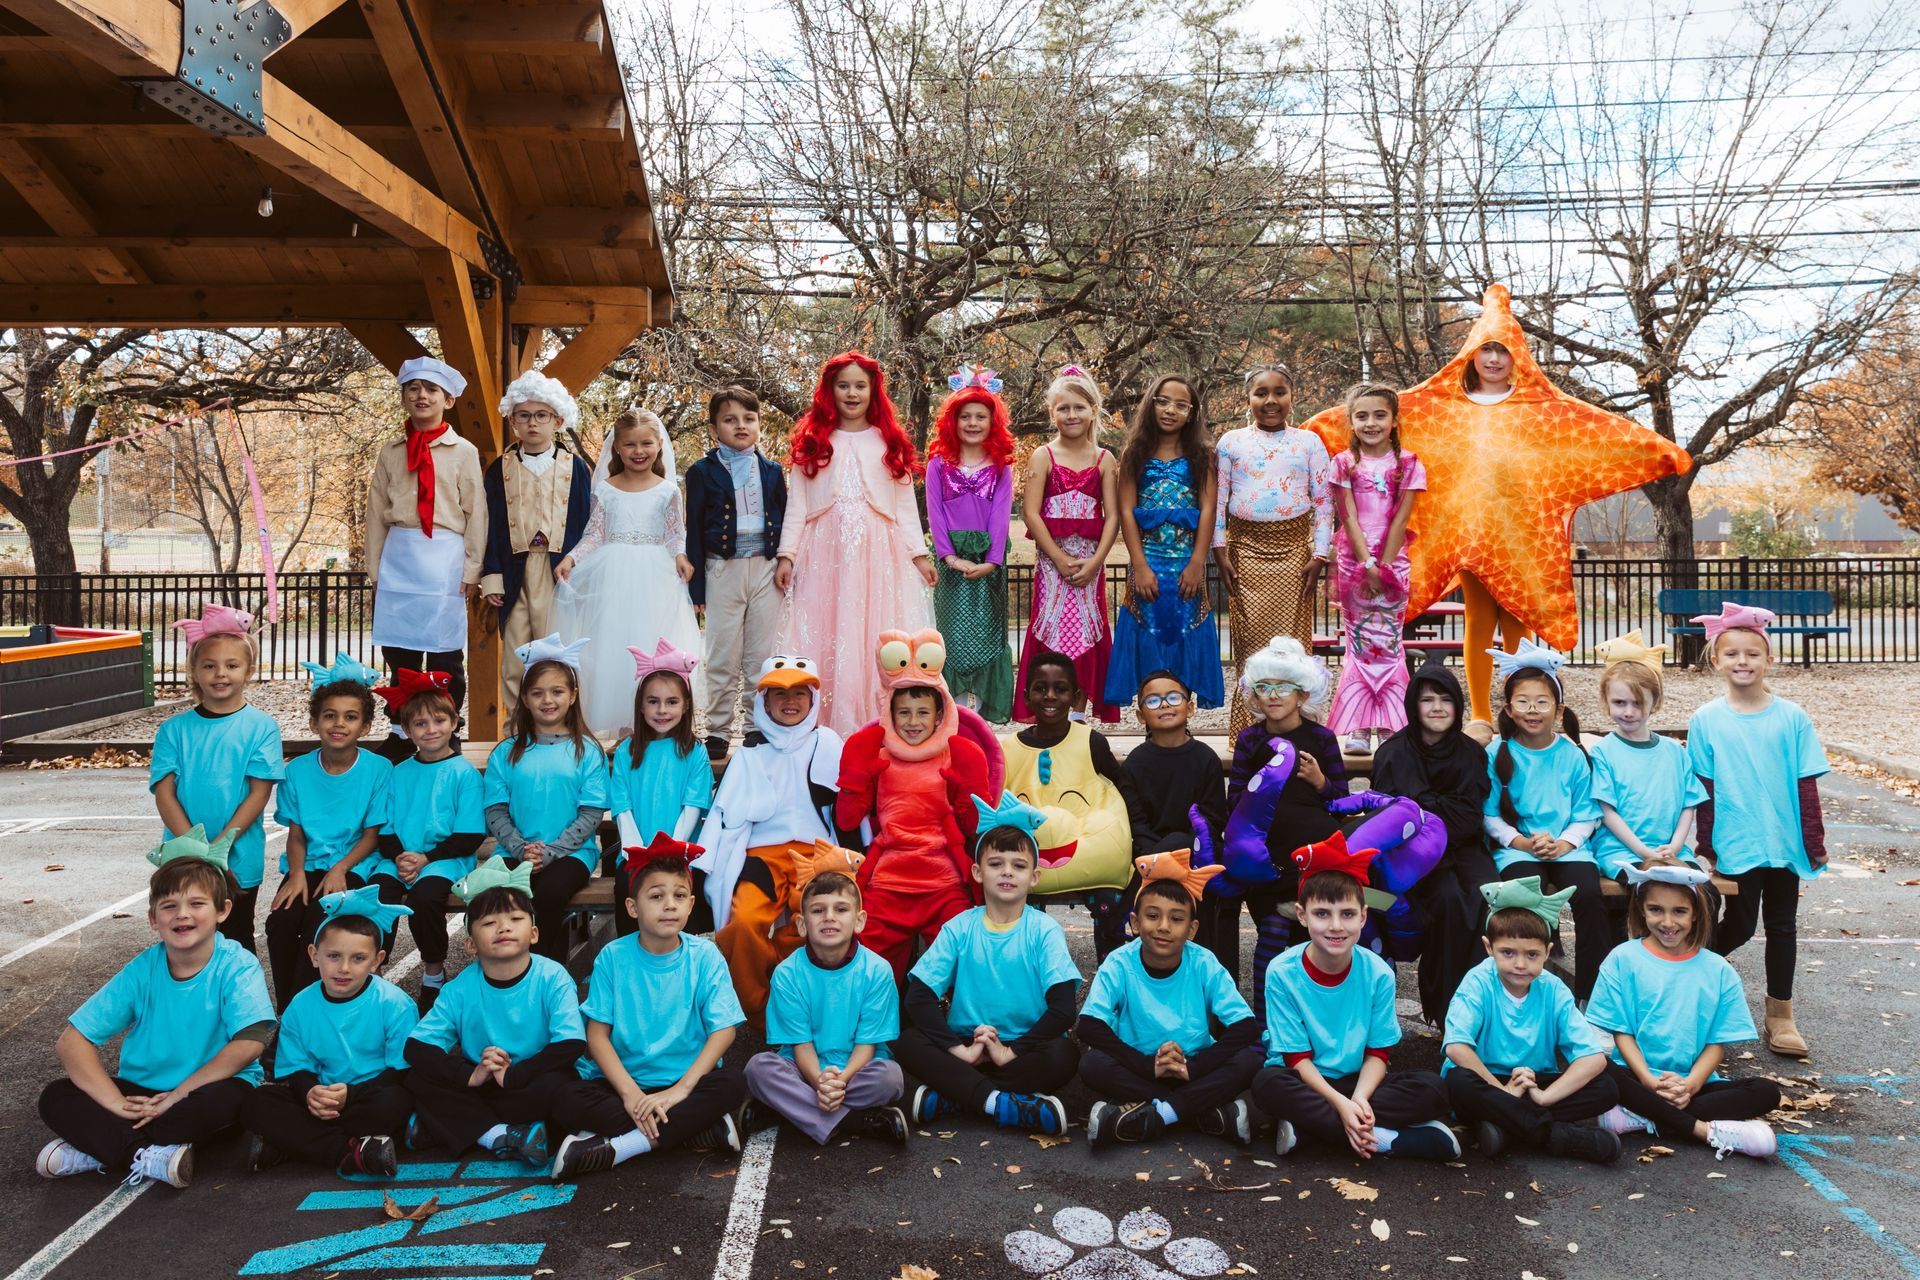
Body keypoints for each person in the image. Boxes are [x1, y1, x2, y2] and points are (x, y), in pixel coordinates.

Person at [35, 836, 275, 1189]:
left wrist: (177, 1096)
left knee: (232, 1104)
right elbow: (72, 1042)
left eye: (196, 903)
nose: (182, 913)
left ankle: (101, 1148)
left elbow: (250, 1044)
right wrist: (116, 1104)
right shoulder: (141, 971)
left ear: (222, 910)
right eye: (169, 905)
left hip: (206, 1088)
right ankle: (145, 1154)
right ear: (152, 918)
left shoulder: (237, 965)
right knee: (55, 1097)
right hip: (143, 1091)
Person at [549, 837, 747, 1178]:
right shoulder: (613, 956)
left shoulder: (704, 956)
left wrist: (679, 1091)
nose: (669, 905)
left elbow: (724, 1030)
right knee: (563, 1094)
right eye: (656, 896)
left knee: (735, 1083)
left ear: (691, 905)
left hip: (687, 1082)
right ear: (632, 907)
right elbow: (596, 1037)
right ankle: (696, 1130)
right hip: (626, 1082)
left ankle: (622, 1147)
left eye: (679, 896)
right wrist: (630, 1095)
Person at [1250, 837, 1457, 1160]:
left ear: (1363, 917)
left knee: (1434, 1088)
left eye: (1347, 914)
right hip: (1306, 1080)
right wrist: (1342, 1106)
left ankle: (1310, 1130)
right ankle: (1385, 1139)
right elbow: (1296, 1059)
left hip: (1358, 1080)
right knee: (1266, 1084)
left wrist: (1357, 1100)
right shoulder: (1281, 971)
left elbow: (1379, 1051)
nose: (1335, 926)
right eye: (1322, 914)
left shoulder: (1378, 973)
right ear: (1302, 916)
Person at [1688, 603, 1829, 1059]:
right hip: (1736, 840)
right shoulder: (1706, 719)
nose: (1742, 661)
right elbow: (1704, 788)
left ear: (1769, 659)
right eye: (1732, 654)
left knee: (1783, 926)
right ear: (1716, 660)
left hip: (1784, 841)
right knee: (1742, 925)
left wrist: (1813, 840)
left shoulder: (1791, 717)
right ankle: (1688, 973)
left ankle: (1780, 1014)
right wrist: (1706, 845)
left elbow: (1806, 784)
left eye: (1752, 653)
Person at [894, 794, 1081, 1134]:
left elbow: (1064, 1008)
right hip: (968, 1045)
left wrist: (1011, 1051)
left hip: (1023, 1048)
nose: (1007, 871)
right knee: (908, 1041)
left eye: (1019, 865)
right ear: (978, 872)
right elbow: (918, 996)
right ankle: (1002, 1103)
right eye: (996, 864)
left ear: (1034, 877)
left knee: (1064, 1054)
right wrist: (960, 1051)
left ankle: (956, 1094)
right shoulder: (961, 926)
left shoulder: (1043, 931)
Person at [776, 351, 935, 736]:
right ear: (830, 391)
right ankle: (823, 724)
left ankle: (874, 721)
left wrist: (919, 553)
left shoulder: (887, 441)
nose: (851, 393)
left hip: (878, 552)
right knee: (827, 631)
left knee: (874, 632)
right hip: (824, 552)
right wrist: (787, 554)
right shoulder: (814, 441)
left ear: (873, 391)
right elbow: (797, 503)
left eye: (860, 386)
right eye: (843, 386)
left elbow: (903, 507)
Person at [1585, 863, 1781, 1160]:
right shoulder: (1622, 959)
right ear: (1641, 910)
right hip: (1634, 1077)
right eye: (1656, 910)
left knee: (1767, 1091)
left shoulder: (1717, 970)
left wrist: (1690, 1084)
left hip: (1693, 1082)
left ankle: (1641, 1118)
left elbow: (1717, 1043)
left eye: (1679, 911)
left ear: (1696, 914)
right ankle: (1706, 1131)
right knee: (1596, 1068)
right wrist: (1649, 1082)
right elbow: (1621, 1033)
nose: (1667, 922)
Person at [836, 629, 994, 979]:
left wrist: (967, 790)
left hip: (943, 881)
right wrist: (855, 778)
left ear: (940, 715)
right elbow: (847, 820)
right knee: (864, 967)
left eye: (923, 712)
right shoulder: (878, 753)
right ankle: (874, 1027)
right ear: (889, 712)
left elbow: (972, 826)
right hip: (889, 878)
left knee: (964, 960)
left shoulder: (955, 755)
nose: (912, 722)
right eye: (903, 712)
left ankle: (958, 1027)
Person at [403, 859, 585, 1163]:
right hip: (484, 1082)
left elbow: (571, 1044)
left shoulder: (552, 977)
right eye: (489, 923)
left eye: (515, 919)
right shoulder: (459, 989)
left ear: (534, 933)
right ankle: (503, 1134)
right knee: (414, 1080)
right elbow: (417, 1047)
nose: (503, 927)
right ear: (471, 945)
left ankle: (455, 1128)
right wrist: (470, 1074)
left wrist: (514, 1075)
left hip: (531, 1078)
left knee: (565, 1089)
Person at [698, 655, 846, 1023]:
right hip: (761, 856)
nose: (790, 701)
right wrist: (705, 861)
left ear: (813, 699)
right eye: (778, 694)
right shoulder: (750, 752)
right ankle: (759, 1008)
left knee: (813, 918)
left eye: (800, 692)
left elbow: (848, 804)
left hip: (816, 855)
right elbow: (723, 813)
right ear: (763, 702)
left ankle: (795, 994)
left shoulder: (827, 743)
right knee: (745, 921)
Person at [1078, 852, 1260, 1148]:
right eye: (1153, 916)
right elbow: (1088, 1026)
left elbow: (1246, 1026)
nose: (1163, 926)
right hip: (1139, 1067)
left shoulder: (1203, 962)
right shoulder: (1120, 962)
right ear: (1135, 923)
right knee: (1093, 1065)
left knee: (1248, 1061)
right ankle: (1201, 1112)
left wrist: (1195, 1067)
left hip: (1194, 1068)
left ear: (1192, 929)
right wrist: (1148, 1066)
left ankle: (1158, 1113)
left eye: (1176, 919)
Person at [242, 887, 417, 1178]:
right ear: (314, 955)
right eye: (333, 956)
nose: (344, 968)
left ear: (377, 960)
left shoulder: (395, 1004)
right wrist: (310, 1091)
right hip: (320, 1098)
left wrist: (351, 1094)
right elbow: (295, 1068)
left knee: (396, 1102)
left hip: (368, 1096)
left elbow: (401, 1070)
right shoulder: (300, 1005)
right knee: (255, 1102)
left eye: (359, 958)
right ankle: (351, 1151)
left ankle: (294, 1143)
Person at [1442, 878, 1620, 1163]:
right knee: (1457, 1082)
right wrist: (1503, 1092)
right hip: (1487, 1081)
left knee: (1607, 1086)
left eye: (1532, 954)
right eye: (1508, 953)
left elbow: (1593, 1058)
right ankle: (1555, 1135)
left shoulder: (1553, 989)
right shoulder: (1478, 981)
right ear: (1489, 947)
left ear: (1547, 952)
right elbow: (1457, 1048)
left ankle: (1506, 1126)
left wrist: (1544, 1097)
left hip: (1535, 1082)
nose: (1520, 964)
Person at [554, 409, 701, 737]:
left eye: (646, 443)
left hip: (654, 576)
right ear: (616, 448)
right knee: (614, 648)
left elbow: (675, 533)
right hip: (614, 578)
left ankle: (649, 729)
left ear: (659, 444)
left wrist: (680, 555)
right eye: (630, 444)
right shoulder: (606, 488)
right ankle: (622, 729)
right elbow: (594, 534)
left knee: (649, 643)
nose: (639, 451)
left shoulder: (667, 490)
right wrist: (572, 559)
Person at [1212, 636, 1345, 994]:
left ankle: (1314, 1007)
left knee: (1316, 939)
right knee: (1271, 936)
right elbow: (1235, 799)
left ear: (1302, 695)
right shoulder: (1250, 740)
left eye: (1283, 687)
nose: (1272, 695)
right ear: (1253, 696)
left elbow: (1342, 801)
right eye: (1263, 687)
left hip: (1313, 858)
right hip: (1267, 860)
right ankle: (1263, 1020)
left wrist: (1320, 782)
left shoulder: (1322, 738)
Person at [365, 356, 486, 743]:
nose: (422, 396)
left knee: (444, 653)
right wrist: (375, 569)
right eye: (413, 388)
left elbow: (475, 512)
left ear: (447, 400)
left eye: (432, 389)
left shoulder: (463, 451)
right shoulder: (391, 452)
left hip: (444, 558)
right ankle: (402, 729)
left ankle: (445, 727)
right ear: (403, 396)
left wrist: (472, 569)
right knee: (399, 652)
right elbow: (375, 513)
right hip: (401, 555)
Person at [742, 870, 909, 1145]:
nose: (829, 917)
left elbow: (867, 1045)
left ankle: (788, 1110)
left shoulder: (877, 971)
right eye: (818, 910)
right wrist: (819, 1082)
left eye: (841, 909)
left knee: (890, 1078)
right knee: (758, 1069)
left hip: (857, 1071)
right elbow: (801, 1044)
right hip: (802, 1070)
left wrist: (839, 1081)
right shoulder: (787, 974)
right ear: (802, 925)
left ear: (859, 921)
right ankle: (856, 1120)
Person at [151, 603, 283, 951]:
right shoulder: (173, 730)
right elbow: (165, 794)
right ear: (194, 671)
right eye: (209, 665)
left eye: (231, 665)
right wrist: (198, 853)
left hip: (238, 857)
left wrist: (221, 848)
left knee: (235, 940)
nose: (220, 674)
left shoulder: (261, 727)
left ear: (248, 670)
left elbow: (258, 794)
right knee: (186, 943)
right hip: (183, 857)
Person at [1370, 659, 1494, 1025]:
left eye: (1446, 699)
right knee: (1447, 900)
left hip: (1463, 844)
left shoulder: (1470, 752)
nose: (1437, 707)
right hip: (1414, 854)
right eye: (1427, 700)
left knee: (1488, 895)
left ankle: (1483, 1008)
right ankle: (1445, 1008)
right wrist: (1435, 812)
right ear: (1413, 705)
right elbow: (1390, 817)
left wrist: (1426, 809)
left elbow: (1468, 816)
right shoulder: (1394, 752)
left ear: (1457, 706)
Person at [1482, 640, 1606, 1001]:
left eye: (1542, 702)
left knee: (1589, 895)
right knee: (1522, 898)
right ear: (1508, 707)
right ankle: (1521, 989)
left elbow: (1587, 813)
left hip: (1567, 849)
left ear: (1558, 707)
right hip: (1518, 850)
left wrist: (1564, 843)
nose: (1532, 710)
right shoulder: (1497, 752)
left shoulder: (1572, 755)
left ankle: (1591, 996)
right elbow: (1488, 813)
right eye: (1522, 702)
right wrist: (1521, 842)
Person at [1212, 365, 1332, 737]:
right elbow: (1218, 501)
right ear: (1248, 399)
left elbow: (1324, 502)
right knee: (1250, 645)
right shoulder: (1230, 442)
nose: (1270, 401)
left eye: (1279, 392)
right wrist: (1220, 550)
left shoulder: (1309, 442)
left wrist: (1320, 555)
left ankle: (1297, 731)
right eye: (1260, 393)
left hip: (1296, 555)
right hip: (1244, 553)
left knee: (1293, 645)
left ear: (1291, 397)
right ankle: (1250, 734)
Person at [1001, 651, 1144, 959]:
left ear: (1076, 697)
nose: (1050, 696)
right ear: (1026, 696)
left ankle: (1110, 979)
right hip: (1030, 859)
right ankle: (1024, 979)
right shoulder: (1008, 748)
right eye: (1040, 688)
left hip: (1085, 857)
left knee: (1110, 902)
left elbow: (1122, 789)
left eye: (1060, 689)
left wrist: (1139, 840)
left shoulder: (1091, 741)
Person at [265, 663, 393, 1009]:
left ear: (365, 726)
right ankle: (288, 1013)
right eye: (330, 716)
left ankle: (308, 1014)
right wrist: (295, 875)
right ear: (314, 722)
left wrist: (340, 869)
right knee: (280, 922)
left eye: (350, 717)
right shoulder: (298, 771)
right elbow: (296, 833)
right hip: (307, 864)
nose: (339, 724)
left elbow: (371, 836)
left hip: (355, 865)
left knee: (320, 927)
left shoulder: (378, 769)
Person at [482, 635, 608, 963]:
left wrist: (549, 853)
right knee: (501, 896)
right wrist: (520, 849)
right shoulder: (506, 753)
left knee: (549, 894)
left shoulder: (587, 751)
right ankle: (500, 969)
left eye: (557, 691)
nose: (547, 700)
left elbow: (591, 814)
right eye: (537, 693)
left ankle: (542, 972)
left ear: (572, 695)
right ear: (524, 698)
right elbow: (495, 810)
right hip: (515, 848)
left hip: (570, 853)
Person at [365, 668, 486, 1011]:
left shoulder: (463, 774)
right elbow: (384, 827)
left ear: (454, 723)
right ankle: (373, 970)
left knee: (424, 898)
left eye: (438, 721)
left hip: (445, 859)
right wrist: (402, 856)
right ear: (406, 730)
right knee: (378, 896)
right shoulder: (398, 772)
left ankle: (433, 973)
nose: (431, 729)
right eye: (420, 724)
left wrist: (424, 859)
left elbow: (469, 835)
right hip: (398, 857)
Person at [1105, 373, 1223, 711]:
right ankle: (1152, 715)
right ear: (1150, 405)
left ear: (1192, 412)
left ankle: (1180, 715)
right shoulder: (1134, 453)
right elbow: (1127, 512)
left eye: (1181, 404)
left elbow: (1208, 509)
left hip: (1187, 565)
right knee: (1148, 632)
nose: (1170, 410)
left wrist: (1198, 563)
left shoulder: (1202, 455)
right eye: (1163, 401)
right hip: (1149, 563)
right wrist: (1139, 565)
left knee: (1186, 630)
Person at [480, 370, 593, 720]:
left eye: (541, 415)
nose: (533, 424)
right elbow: (490, 526)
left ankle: (561, 723)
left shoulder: (575, 467)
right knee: (517, 651)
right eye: (524, 416)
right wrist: (492, 576)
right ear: (513, 421)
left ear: (557, 420)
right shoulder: (500, 469)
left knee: (555, 649)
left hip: (558, 569)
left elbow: (586, 523)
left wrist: (579, 566)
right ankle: (516, 727)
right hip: (515, 569)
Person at [685, 386, 788, 758]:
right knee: (722, 651)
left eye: (749, 419)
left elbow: (785, 520)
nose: (740, 426)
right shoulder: (700, 472)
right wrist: (696, 589)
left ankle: (756, 726)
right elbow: (693, 529)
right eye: (730, 420)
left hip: (765, 567)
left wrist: (786, 563)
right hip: (721, 568)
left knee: (761, 654)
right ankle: (716, 729)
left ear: (759, 424)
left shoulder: (773, 471)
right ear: (715, 428)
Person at [1325, 384, 1427, 754]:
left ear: (1395, 420)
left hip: (1393, 560)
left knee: (1389, 642)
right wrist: (1366, 562)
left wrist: (1383, 565)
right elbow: (1347, 515)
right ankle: (1359, 727)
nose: (1371, 423)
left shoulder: (1409, 463)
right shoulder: (1343, 463)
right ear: (1351, 422)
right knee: (1360, 642)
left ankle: (1389, 724)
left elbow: (1401, 518)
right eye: (1362, 416)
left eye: (1379, 415)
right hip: (1354, 560)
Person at [1017, 365, 1120, 723]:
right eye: (1063, 408)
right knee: (1053, 628)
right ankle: (1048, 709)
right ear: (1052, 413)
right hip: (1052, 566)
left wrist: (1095, 563)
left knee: (1088, 629)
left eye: (1079, 407)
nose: (1071, 415)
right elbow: (1031, 514)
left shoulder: (1105, 459)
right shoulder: (1043, 455)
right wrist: (1058, 558)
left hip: (1090, 566)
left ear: (1093, 409)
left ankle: (1078, 713)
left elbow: (1114, 517)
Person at [926, 364, 1018, 723]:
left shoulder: (999, 467)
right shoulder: (939, 464)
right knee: (952, 636)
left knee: (985, 636)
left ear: (992, 422)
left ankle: (978, 713)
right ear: (954, 421)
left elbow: (1001, 516)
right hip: (952, 566)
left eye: (981, 416)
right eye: (966, 416)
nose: (973, 423)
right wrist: (948, 557)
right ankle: (955, 708)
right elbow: (935, 514)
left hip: (986, 564)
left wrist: (993, 561)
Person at [607, 641, 713, 937]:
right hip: (636, 851)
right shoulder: (629, 751)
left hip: (682, 852)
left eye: (671, 702)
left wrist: (673, 852)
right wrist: (638, 852)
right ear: (641, 706)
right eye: (653, 701)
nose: (662, 710)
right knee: (627, 890)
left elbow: (693, 806)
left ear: (686, 705)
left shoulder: (694, 751)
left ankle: (683, 960)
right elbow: (622, 806)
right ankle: (631, 957)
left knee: (684, 894)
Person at [1589, 633, 1706, 887]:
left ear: (1656, 702)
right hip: (1620, 851)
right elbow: (1606, 811)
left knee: (1706, 894)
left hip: (1670, 850)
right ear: (1606, 702)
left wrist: (1674, 846)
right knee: (1646, 889)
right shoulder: (1603, 752)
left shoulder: (1675, 752)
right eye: (1620, 703)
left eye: (1638, 703)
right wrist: (1644, 852)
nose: (1629, 712)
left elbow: (1689, 803)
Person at [1455, 340, 1529, 732]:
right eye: (1487, 350)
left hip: (1521, 527)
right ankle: (1481, 714)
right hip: (1472, 525)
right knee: (1479, 618)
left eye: (1504, 351)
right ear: (1472, 356)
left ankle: (1522, 705)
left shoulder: (1531, 403)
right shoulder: (1456, 404)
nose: (1495, 359)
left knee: (1518, 617)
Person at [1122, 670, 1228, 855]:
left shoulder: (1206, 758)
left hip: (1199, 853)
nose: (1164, 704)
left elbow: (1213, 818)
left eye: (1173, 698)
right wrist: (1159, 855)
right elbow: (1136, 823)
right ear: (1140, 716)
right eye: (1153, 700)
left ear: (1190, 708)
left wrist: (1182, 850)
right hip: (1150, 857)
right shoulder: (1134, 763)